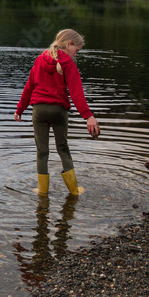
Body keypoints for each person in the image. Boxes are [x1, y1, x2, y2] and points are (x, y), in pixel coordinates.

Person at [14, 29, 100, 196]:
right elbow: (76, 93)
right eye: (77, 51)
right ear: (69, 44)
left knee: (42, 152)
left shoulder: (39, 59)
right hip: (58, 111)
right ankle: (74, 191)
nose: (76, 55)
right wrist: (88, 116)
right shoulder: (68, 63)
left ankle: (42, 191)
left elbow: (29, 87)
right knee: (62, 148)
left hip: (38, 110)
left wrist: (20, 109)